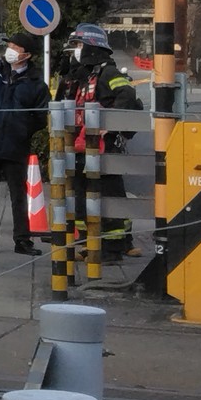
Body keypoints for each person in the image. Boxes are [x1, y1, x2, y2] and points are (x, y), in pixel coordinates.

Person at [64, 22, 141, 256]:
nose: (75, 51)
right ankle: (88, 241)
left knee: (110, 195)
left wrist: (110, 126)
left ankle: (116, 245)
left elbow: (127, 95)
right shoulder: (82, 76)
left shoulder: (108, 73)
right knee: (82, 196)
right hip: (82, 147)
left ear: (92, 47)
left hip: (104, 149)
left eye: (79, 45)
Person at [0, 34, 49, 256]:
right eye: (9, 45)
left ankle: (22, 240)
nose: (9, 50)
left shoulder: (36, 84)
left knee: (18, 195)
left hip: (15, 146)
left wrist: (22, 130)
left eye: (15, 47)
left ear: (26, 55)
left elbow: (41, 117)